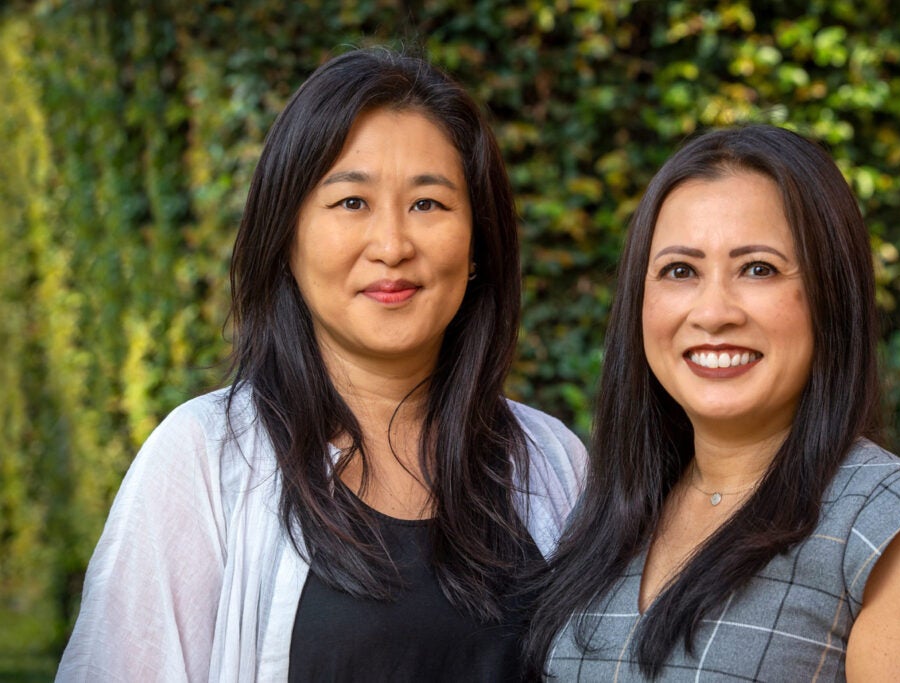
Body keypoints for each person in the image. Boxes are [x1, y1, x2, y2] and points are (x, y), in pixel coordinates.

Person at [57, 47, 586, 682]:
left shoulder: (553, 462)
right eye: (351, 203)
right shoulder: (205, 460)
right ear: (287, 238)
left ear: (477, 247)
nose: (392, 246)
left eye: (429, 204)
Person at [526, 124, 900, 681]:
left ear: (831, 295)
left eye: (759, 269)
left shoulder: (897, 536)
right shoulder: (611, 513)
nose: (713, 312)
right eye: (681, 271)